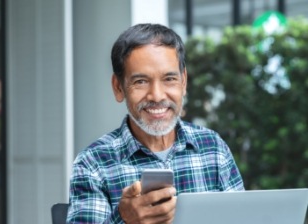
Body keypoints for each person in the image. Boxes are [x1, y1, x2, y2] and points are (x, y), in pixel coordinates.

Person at [67, 23, 244, 223]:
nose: (157, 96)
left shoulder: (213, 148)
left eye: (169, 78)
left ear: (183, 82)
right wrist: (124, 220)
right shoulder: (93, 163)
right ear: (118, 87)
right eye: (141, 81)